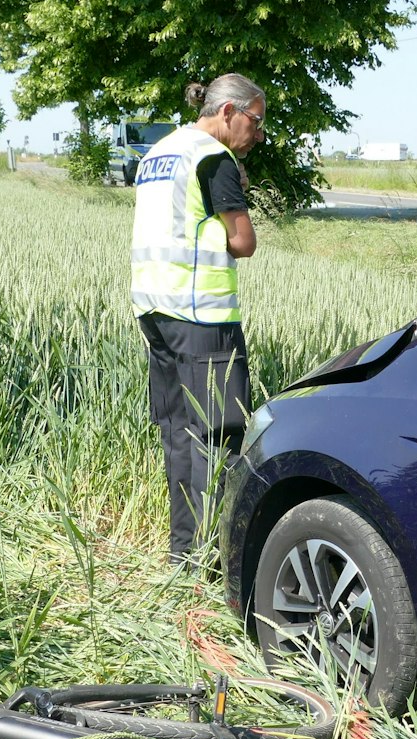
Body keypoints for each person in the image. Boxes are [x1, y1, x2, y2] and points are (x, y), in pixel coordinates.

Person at [129, 73, 265, 562]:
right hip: (202, 316)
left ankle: (183, 556)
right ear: (228, 112)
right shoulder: (214, 158)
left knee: (179, 436)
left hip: (154, 311)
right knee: (219, 437)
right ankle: (210, 561)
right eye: (256, 120)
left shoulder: (159, 153)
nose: (258, 134)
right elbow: (244, 242)